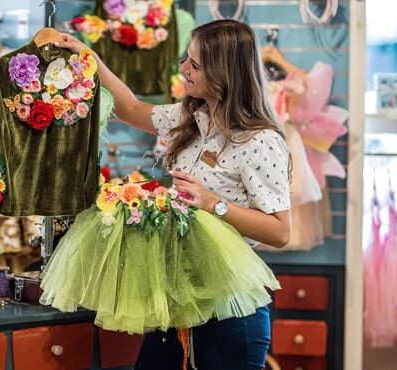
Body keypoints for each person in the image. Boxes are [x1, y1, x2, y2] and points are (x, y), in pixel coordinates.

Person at [54, 19, 291, 370]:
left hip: (230, 313)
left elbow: (281, 232)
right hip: (176, 301)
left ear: (223, 73)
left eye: (194, 64)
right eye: (186, 59)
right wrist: (90, 59)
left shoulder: (260, 141)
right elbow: (130, 108)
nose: (183, 69)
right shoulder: (190, 117)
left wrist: (213, 203)